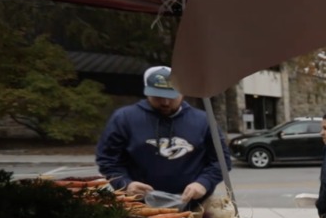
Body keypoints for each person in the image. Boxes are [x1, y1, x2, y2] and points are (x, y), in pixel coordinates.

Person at [96, 66, 229, 208]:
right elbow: (108, 160)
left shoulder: (204, 121)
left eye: (172, 96)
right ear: (147, 92)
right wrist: (125, 184)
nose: (165, 102)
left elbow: (221, 160)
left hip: (194, 205)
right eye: (158, 96)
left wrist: (204, 182)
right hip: (139, 205)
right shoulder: (124, 119)